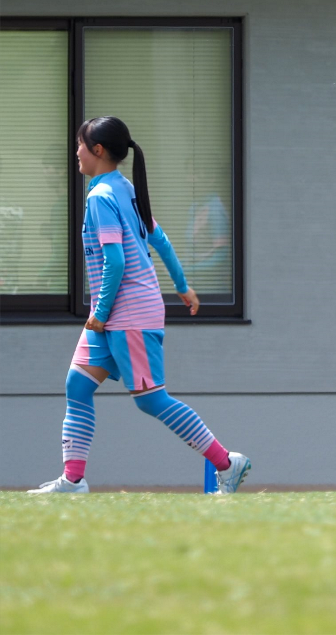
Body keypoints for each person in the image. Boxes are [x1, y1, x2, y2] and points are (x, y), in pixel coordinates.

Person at [28, 117, 250, 495]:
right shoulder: (125, 188)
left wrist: (99, 314)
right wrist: (182, 286)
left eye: (80, 145)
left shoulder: (101, 197)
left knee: (151, 401)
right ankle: (73, 480)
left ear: (97, 151)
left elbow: (116, 262)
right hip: (113, 314)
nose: (76, 152)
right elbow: (159, 242)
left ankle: (227, 463)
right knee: (77, 386)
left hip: (125, 314)